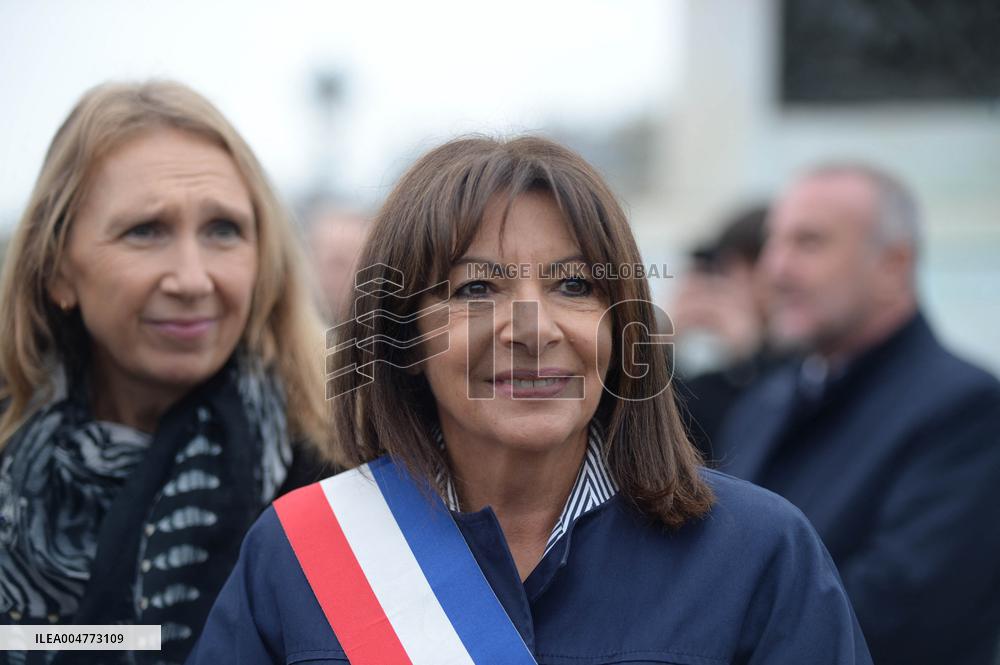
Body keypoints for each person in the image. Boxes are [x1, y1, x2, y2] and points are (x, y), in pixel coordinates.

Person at [189, 136, 871, 664]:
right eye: (475, 290)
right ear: (401, 335)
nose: (533, 329)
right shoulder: (300, 550)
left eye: (574, 285)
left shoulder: (757, 554)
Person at [0, 80, 329, 665]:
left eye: (223, 230)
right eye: (146, 231)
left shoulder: (340, 476)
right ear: (57, 270)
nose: (193, 279)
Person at [713, 164, 1000, 665]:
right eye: (773, 244)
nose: (775, 270)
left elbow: (901, 615)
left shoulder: (968, 410)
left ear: (893, 263)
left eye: (810, 243)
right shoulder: (766, 401)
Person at [670, 205, 775, 456]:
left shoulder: (806, 349)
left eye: (747, 268)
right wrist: (664, 342)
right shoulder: (713, 373)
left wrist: (750, 355)